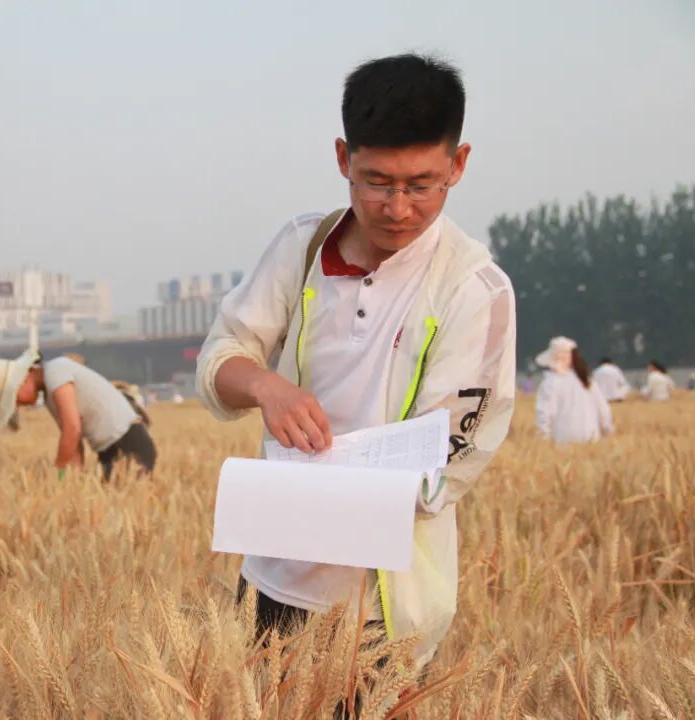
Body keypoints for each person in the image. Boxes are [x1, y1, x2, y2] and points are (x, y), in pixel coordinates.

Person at [196, 54, 516, 670]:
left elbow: (448, 461)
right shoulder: (302, 246)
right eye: (376, 182)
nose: (398, 207)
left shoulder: (474, 290)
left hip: (382, 607)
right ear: (343, 158)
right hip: (272, 577)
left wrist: (332, 494)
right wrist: (266, 386)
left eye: (422, 185)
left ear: (459, 164)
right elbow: (221, 358)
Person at [0, 350, 157, 480]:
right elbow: (74, 443)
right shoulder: (50, 395)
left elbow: (72, 429)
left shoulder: (55, 372)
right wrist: (70, 482)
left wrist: (58, 470)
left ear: (23, 378)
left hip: (130, 444)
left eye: (14, 398)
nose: (18, 405)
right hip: (109, 452)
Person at [534, 337, 613, 444]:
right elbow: (603, 410)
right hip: (591, 437)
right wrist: (607, 431)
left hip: (563, 441)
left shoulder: (550, 383)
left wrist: (544, 438)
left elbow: (544, 414)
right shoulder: (586, 380)